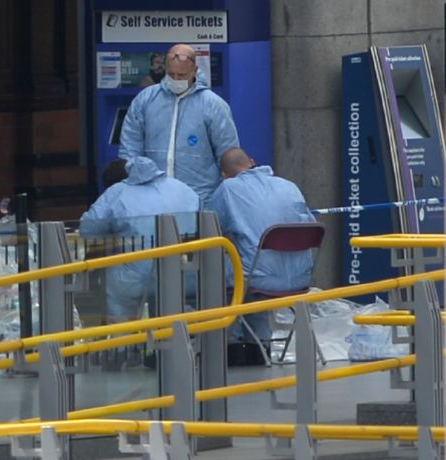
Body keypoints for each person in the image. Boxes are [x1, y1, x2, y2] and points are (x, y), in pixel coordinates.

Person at [206, 148, 316, 346]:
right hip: (302, 279)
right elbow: (311, 223)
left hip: (259, 281)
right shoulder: (289, 186)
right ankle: (260, 343)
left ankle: (224, 346)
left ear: (223, 175)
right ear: (252, 161)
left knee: (216, 267)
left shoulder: (228, 189)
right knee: (255, 261)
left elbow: (207, 228)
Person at [80, 156, 200, 322]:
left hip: (138, 279)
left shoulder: (118, 192)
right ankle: (175, 338)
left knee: (115, 289)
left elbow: (88, 229)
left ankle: (123, 343)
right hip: (187, 276)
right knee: (167, 302)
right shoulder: (182, 188)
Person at [119, 44, 239, 204]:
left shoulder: (213, 105)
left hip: (200, 200)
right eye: (171, 74)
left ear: (195, 71)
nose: (175, 79)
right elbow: (130, 150)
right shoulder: (145, 100)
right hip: (152, 199)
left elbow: (228, 156)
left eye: (182, 75)